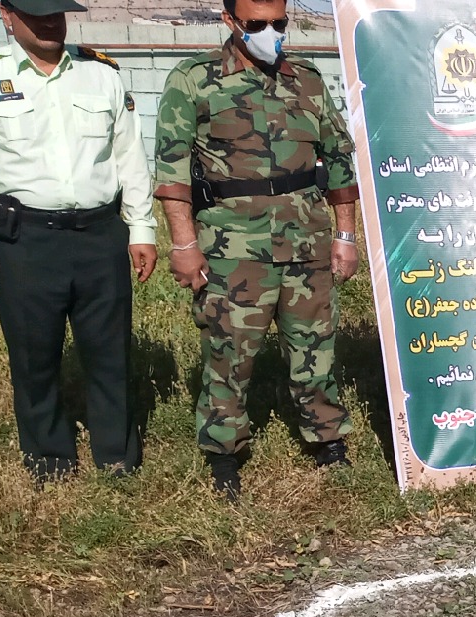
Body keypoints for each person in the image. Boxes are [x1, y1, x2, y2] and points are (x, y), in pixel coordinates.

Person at [0, 0, 156, 483]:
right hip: (26, 239)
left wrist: (141, 228)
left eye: (56, 12)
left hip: (101, 233)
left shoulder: (100, 74)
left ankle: (118, 456)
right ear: (7, 15)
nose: (49, 23)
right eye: (35, 14)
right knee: (34, 354)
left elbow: (130, 157)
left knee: (109, 350)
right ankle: (49, 458)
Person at [154, 0, 360, 499]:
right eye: (257, 25)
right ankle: (224, 451)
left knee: (315, 348)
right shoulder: (194, 80)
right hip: (232, 247)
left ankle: (327, 439)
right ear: (229, 21)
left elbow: (337, 161)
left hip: (306, 240)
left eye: (279, 23)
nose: (271, 33)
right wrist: (183, 245)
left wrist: (345, 235)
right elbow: (172, 171)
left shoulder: (306, 79)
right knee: (229, 353)